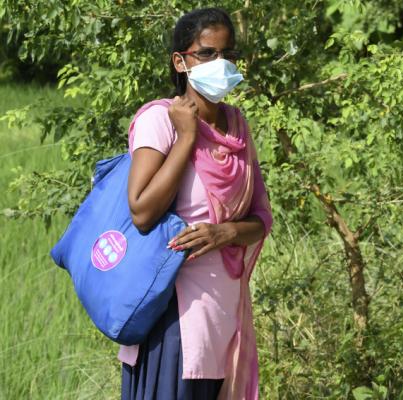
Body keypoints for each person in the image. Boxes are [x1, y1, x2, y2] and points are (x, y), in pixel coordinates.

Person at [118, 7, 272, 400]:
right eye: (207, 53)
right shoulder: (160, 121)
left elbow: (260, 217)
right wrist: (187, 138)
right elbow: (141, 210)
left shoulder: (237, 126)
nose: (220, 63)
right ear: (180, 60)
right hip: (172, 315)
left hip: (225, 314)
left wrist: (226, 232)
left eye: (228, 54)